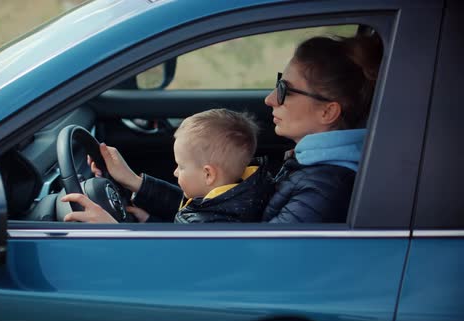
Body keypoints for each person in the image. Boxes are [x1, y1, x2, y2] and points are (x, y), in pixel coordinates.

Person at [62, 33, 383, 224]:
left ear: (328, 111)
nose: (271, 99)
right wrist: (135, 184)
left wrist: (117, 235)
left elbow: (238, 259)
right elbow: (223, 212)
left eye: (285, 90)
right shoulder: (307, 167)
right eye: (277, 85)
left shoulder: (326, 187)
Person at [125, 108, 273, 223]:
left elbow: (168, 253)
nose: (175, 172)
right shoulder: (247, 195)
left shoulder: (203, 225)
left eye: (181, 166)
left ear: (208, 175)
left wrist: (114, 225)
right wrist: (148, 220)